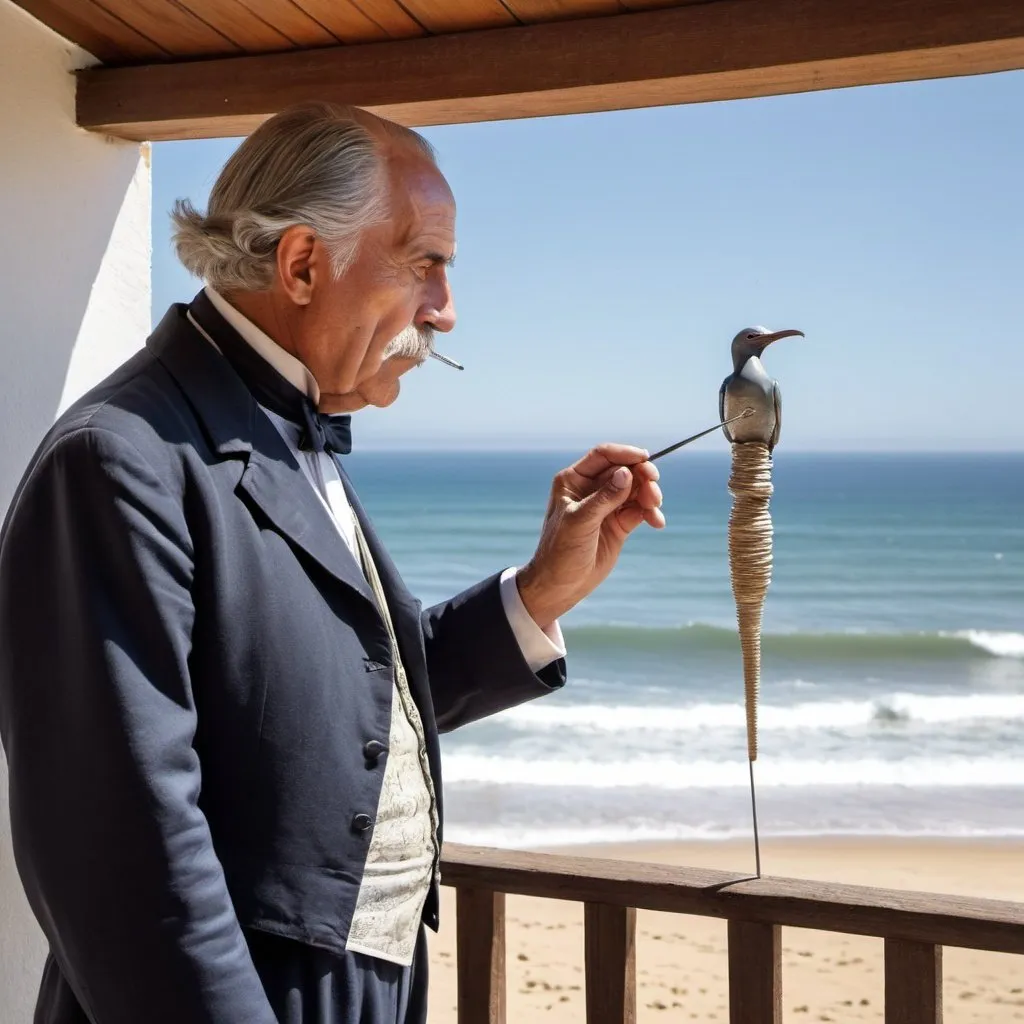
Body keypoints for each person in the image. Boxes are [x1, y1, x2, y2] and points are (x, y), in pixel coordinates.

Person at [0, 102, 664, 1024]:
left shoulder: (282, 426)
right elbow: (122, 854)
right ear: (303, 263)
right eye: (426, 261)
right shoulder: (117, 461)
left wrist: (541, 589)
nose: (448, 309)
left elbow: (335, 709)